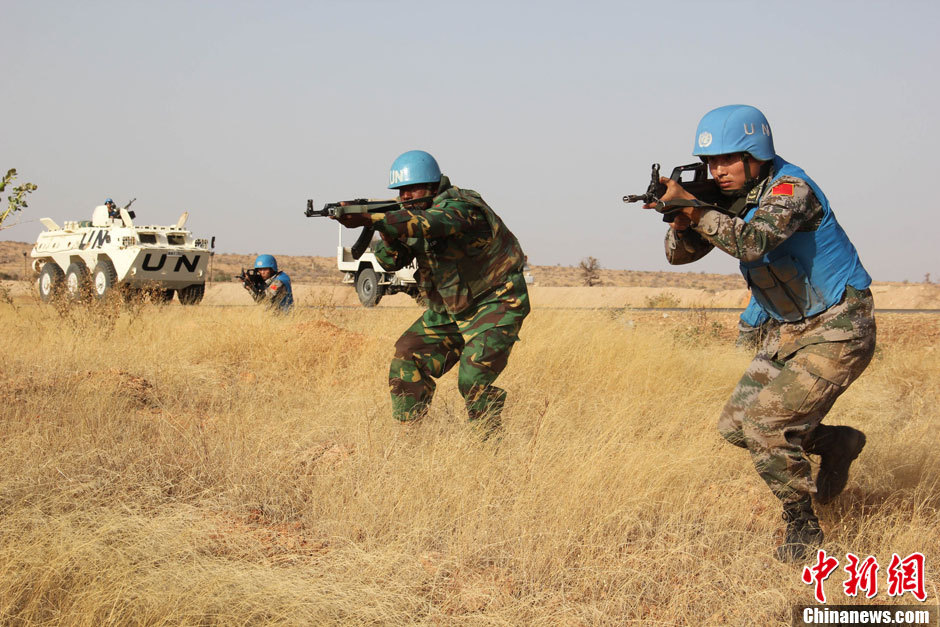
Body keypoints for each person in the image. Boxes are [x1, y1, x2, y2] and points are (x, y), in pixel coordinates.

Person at [652, 105, 876, 562]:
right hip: (790, 330)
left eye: (728, 160)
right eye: (711, 163)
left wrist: (695, 209)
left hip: (839, 327)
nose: (718, 171)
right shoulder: (728, 199)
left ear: (756, 155)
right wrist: (681, 219)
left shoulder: (791, 190)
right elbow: (681, 256)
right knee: (735, 427)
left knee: (765, 426)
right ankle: (837, 444)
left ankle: (803, 529)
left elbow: (753, 242)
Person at [333, 150, 529, 435]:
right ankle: (410, 436)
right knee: (407, 355)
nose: (406, 196)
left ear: (433, 185)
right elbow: (390, 260)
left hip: (495, 302)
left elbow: (434, 223)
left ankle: (490, 446)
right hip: (450, 307)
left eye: (412, 189)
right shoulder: (407, 217)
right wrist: (386, 231)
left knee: (473, 378)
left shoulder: (463, 205)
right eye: (401, 191)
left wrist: (376, 219)